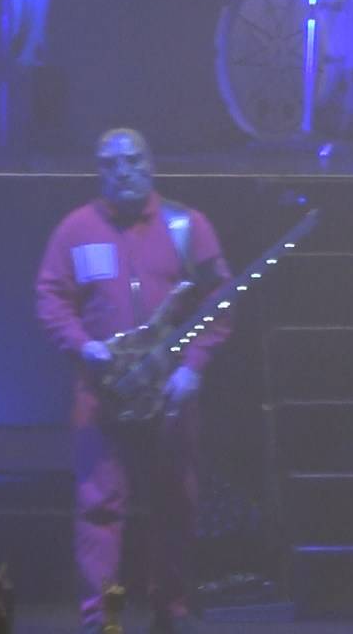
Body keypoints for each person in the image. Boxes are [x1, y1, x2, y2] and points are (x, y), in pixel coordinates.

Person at [34, 129, 232, 634]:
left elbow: (220, 300)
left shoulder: (187, 226)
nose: (122, 170)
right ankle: (102, 621)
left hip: (170, 393)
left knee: (176, 504)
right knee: (98, 510)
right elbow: (51, 298)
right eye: (109, 162)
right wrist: (82, 345)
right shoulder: (76, 230)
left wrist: (193, 367)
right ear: (98, 170)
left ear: (151, 163)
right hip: (100, 393)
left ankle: (172, 612)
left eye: (132, 159)